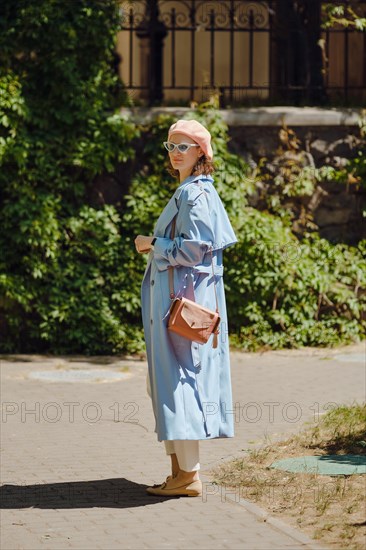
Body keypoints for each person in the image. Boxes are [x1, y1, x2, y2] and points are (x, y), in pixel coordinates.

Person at [135, 119, 237, 497]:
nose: (175, 153)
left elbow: (193, 250)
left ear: (201, 153)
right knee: (164, 382)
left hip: (181, 305)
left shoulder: (195, 195)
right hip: (181, 302)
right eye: (171, 146)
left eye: (183, 146)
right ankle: (179, 473)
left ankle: (188, 475)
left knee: (177, 382)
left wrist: (151, 243)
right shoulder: (192, 192)